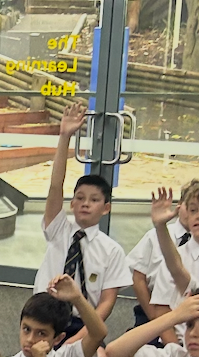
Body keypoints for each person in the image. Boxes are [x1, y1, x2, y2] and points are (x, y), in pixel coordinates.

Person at [33, 100, 131, 322]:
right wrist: (65, 137)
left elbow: (107, 302)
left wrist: (87, 335)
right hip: (43, 314)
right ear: (72, 204)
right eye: (80, 198)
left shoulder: (111, 250)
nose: (86, 203)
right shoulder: (59, 230)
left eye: (94, 200)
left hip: (83, 320)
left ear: (106, 208)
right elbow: (56, 185)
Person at [129, 179, 199, 330]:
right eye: (193, 210)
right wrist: (160, 226)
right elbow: (174, 267)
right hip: (178, 338)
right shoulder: (177, 255)